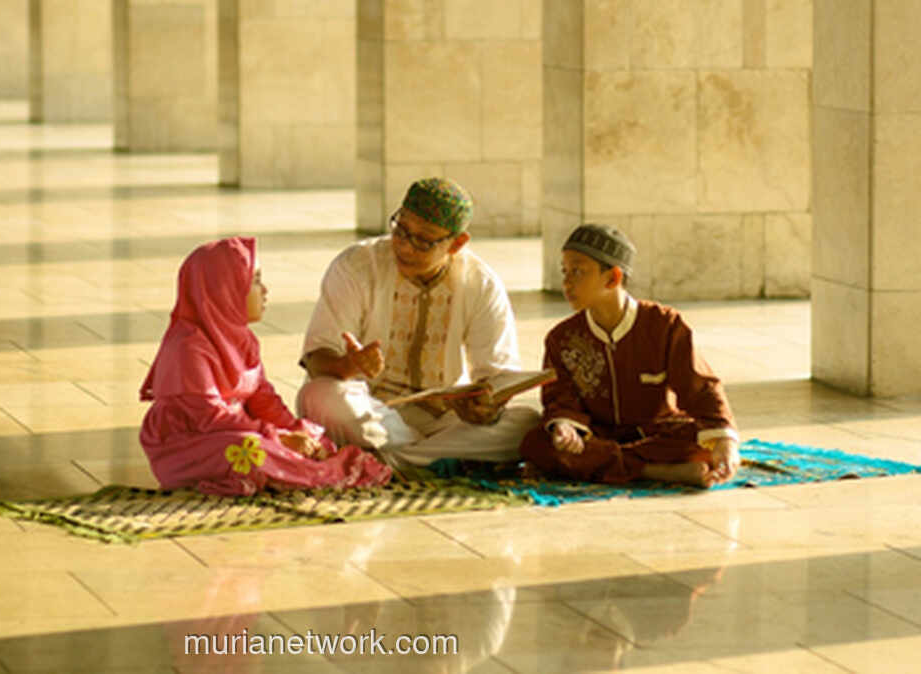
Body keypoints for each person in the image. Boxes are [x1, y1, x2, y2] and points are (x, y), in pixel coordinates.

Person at [296, 177, 540, 469]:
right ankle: (430, 458)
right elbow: (316, 360)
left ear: (457, 243)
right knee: (318, 396)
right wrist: (349, 365)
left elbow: (498, 377)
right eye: (401, 230)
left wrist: (483, 407)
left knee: (526, 422)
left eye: (423, 241)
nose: (405, 247)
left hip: (445, 419)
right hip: (370, 410)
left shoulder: (481, 283)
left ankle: (390, 461)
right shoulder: (356, 266)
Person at [139, 237, 391, 496]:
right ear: (226, 289)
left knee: (310, 437)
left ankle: (303, 470)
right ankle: (321, 474)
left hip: (236, 430)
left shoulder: (242, 339)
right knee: (250, 450)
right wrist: (277, 437)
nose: (265, 290)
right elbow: (208, 416)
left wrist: (293, 429)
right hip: (188, 444)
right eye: (256, 281)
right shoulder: (187, 347)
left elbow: (262, 398)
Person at [517, 224, 740, 488]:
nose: (566, 283)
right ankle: (653, 471)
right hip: (597, 434)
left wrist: (725, 441)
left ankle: (613, 466)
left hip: (658, 433)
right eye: (564, 271)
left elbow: (701, 387)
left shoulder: (665, 325)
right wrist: (565, 427)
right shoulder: (561, 338)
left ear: (612, 278)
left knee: (700, 438)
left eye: (577, 271)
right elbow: (560, 397)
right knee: (537, 443)